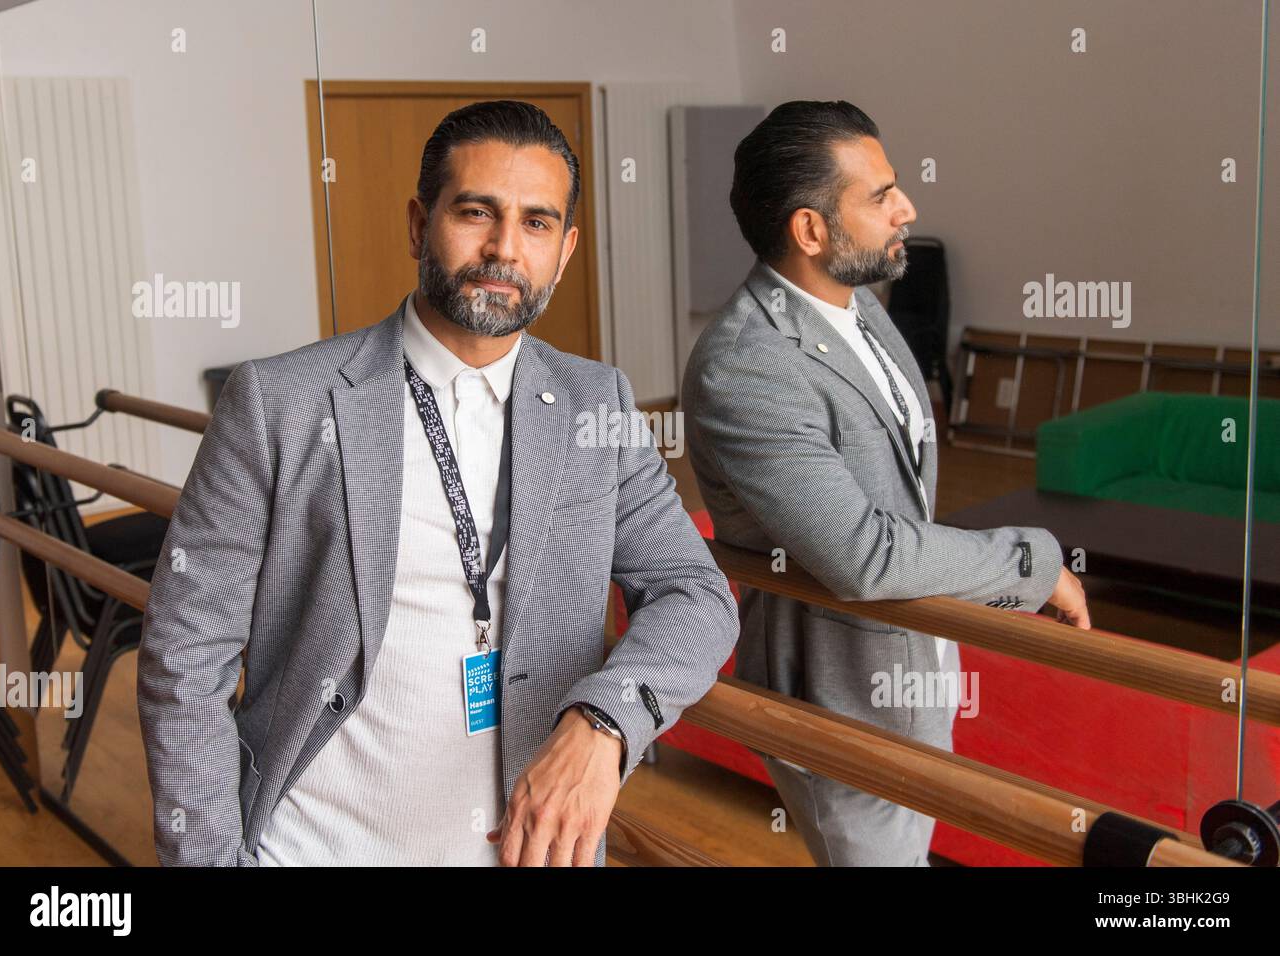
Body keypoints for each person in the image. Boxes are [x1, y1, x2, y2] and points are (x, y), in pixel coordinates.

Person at [138, 99, 738, 867]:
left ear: (566, 248)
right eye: (476, 212)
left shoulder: (599, 404)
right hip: (307, 849)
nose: (504, 249)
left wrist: (606, 722)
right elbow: (184, 659)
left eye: (537, 223)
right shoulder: (279, 402)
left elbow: (695, 591)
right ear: (420, 225)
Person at [681, 99, 1089, 867]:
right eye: (880, 196)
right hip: (840, 688)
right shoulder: (749, 364)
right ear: (810, 230)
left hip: (920, 653)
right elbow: (864, 554)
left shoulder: (858, 302)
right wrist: (1031, 565)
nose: (907, 208)